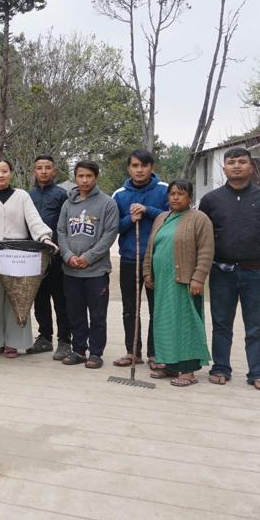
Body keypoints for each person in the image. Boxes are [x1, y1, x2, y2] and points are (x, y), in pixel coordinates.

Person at [198, 147, 260, 391]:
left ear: (251, 166)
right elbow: (203, 232)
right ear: (223, 168)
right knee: (221, 323)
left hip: (254, 272)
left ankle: (257, 372)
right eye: (231, 162)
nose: (237, 166)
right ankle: (220, 367)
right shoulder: (211, 200)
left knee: (256, 326)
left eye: (242, 162)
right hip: (221, 271)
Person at [0, 159, 58, 358]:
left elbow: (34, 221)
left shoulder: (22, 196)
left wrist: (45, 238)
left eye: (4, 171)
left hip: (18, 254)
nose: (1, 175)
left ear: (11, 173)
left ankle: (14, 342)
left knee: (18, 299)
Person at [143, 180, 214, 387]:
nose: (175, 197)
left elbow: (206, 251)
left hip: (184, 282)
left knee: (185, 324)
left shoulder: (199, 219)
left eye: (180, 194)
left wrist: (198, 278)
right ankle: (170, 364)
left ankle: (188, 370)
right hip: (162, 282)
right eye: (172, 193)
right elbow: (151, 247)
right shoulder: (161, 218)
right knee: (164, 323)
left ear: (190, 197)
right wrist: (148, 272)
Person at [57, 161, 119, 369]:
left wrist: (89, 257)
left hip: (96, 271)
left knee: (97, 315)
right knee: (75, 313)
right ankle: (79, 350)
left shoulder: (107, 203)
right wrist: (67, 255)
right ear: (75, 177)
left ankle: (96, 353)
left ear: (96, 177)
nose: (84, 180)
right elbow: (61, 232)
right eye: (80, 176)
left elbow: (110, 234)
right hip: (71, 270)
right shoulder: (68, 204)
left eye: (88, 176)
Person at [112, 149, 169, 370]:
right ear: (129, 168)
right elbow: (113, 227)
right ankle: (132, 351)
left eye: (144, 166)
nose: (139, 170)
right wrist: (129, 219)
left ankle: (155, 353)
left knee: (157, 308)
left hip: (156, 259)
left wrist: (148, 210)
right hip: (130, 258)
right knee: (130, 308)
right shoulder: (119, 194)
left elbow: (171, 218)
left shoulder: (164, 190)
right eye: (135, 166)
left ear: (151, 167)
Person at [27, 154, 71, 360]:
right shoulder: (28, 196)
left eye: (47, 168)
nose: (43, 171)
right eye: (39, 168)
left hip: (57, 256)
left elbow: (67, 226)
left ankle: (64, 341)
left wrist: (63, 249)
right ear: (34, 171)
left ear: (54, 171)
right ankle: (44, 337)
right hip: (34, 257)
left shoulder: (63, 195)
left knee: (60, 299)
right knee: (40, 298)